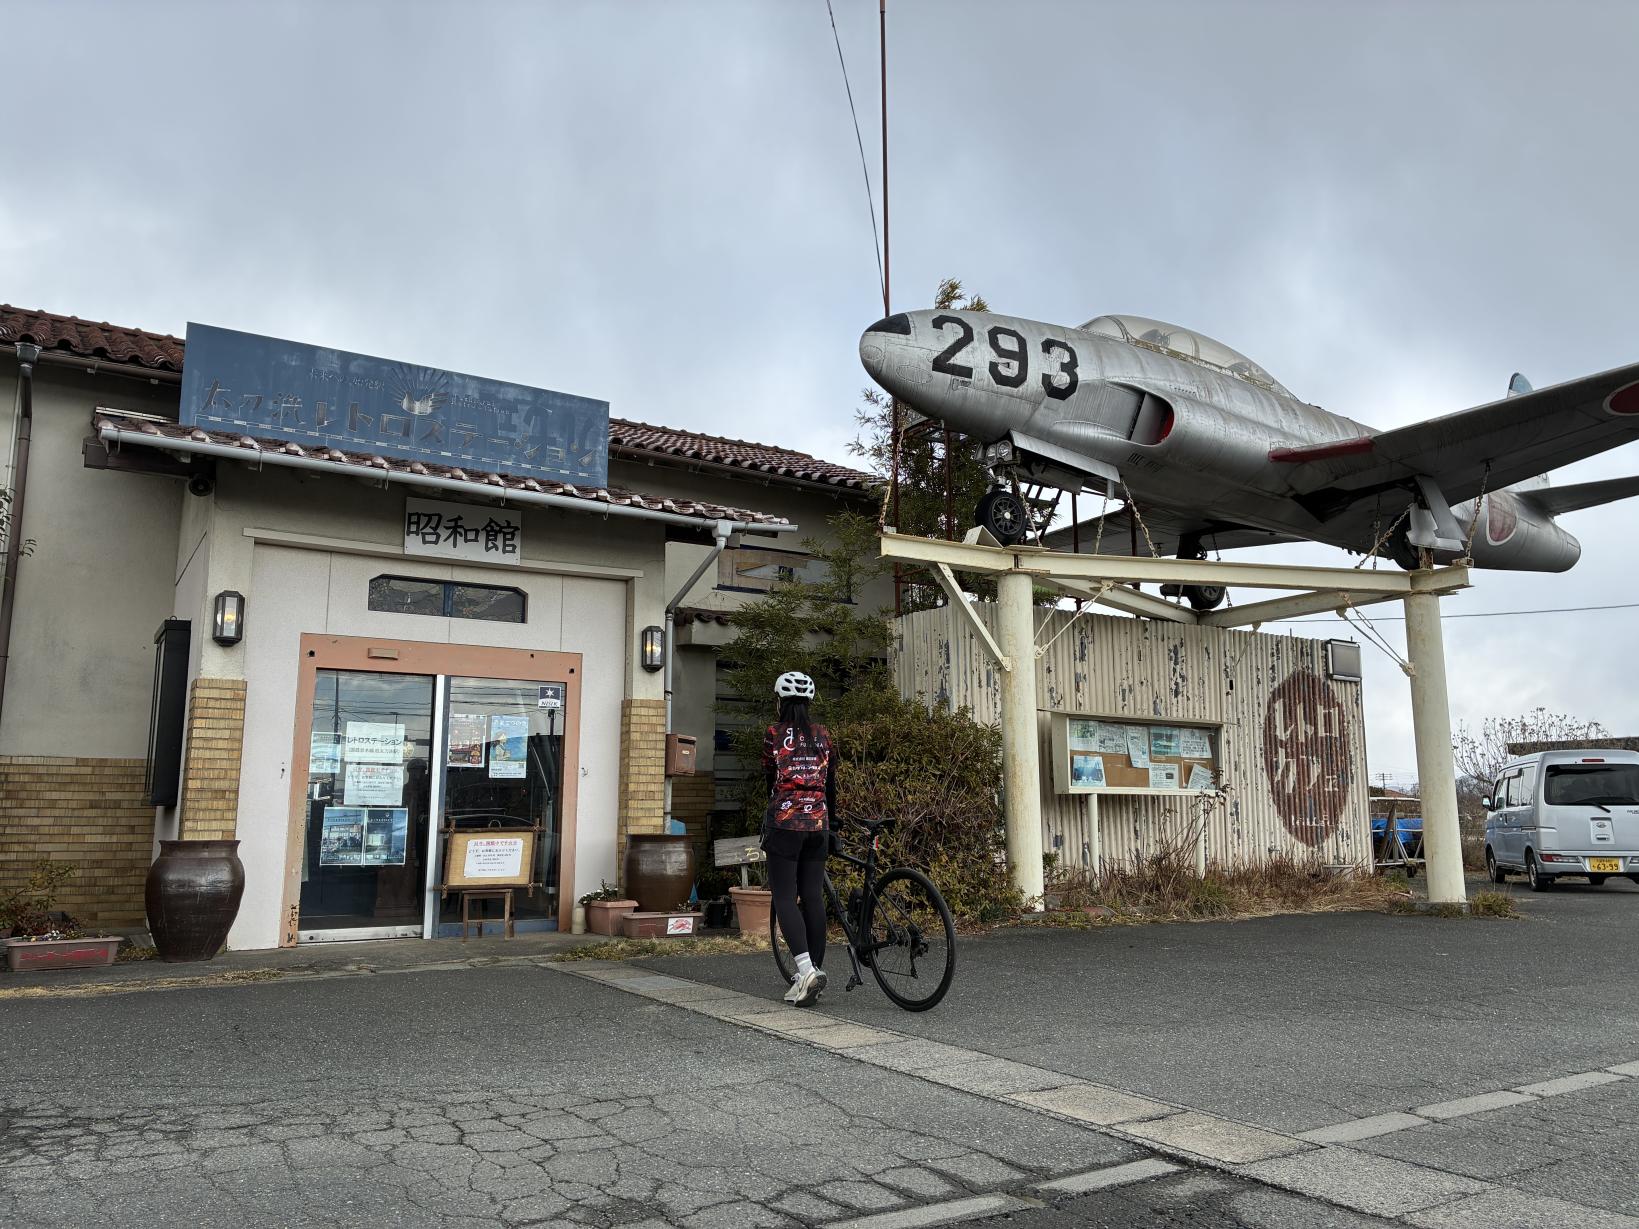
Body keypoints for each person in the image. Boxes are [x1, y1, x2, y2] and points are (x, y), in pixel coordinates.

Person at [762, 670, 836, 1007]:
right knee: (813, 897)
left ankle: (805, 970)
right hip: (818, 824)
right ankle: (814, 972)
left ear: (780, 701)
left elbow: (770, 778)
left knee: (784, 897)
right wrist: (832, 825)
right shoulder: (824, 735)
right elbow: (831, 784)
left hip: (786, 823)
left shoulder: (774, 734)